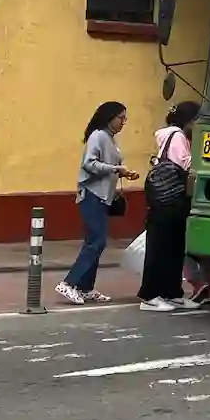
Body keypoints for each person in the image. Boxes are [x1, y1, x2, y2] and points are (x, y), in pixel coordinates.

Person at [56, 102, 137, 306]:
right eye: (121, 118)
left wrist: (123, 172)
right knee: (97, 242)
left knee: (95, 242)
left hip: (103, 197)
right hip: (92, 195)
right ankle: (68, 283)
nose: (123, 122)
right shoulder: (98, 136)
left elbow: (108, 166)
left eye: (125, 119)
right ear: (110, 117)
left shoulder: (110, 138)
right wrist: (115, 169)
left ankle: (85, 288)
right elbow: (89, 164)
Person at [138, 101, 198, 312]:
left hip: (170, 202)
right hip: (169, 200)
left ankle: (172, 293)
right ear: (189, 120)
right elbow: (186, 164)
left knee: (174, 248)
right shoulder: (177, 135)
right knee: (161, 248)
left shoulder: (173, 136)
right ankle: (149, 296)